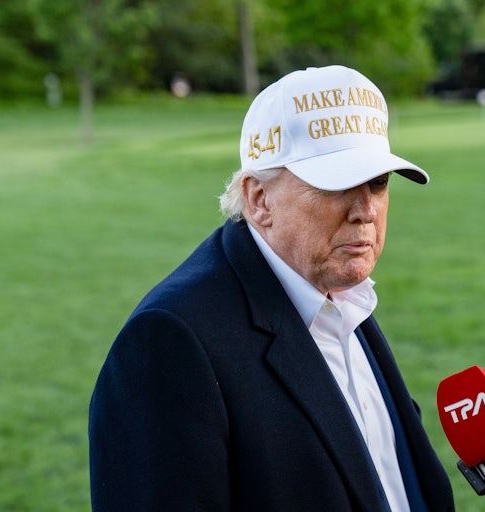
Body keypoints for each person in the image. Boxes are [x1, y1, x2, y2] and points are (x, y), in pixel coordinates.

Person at [89, 65, 454, 511]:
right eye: (336, 184)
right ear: (259, 199)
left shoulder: (340, 296)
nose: (365, 211)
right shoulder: (168, 345)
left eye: (378, 183)